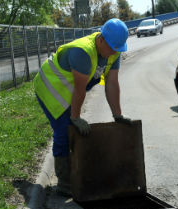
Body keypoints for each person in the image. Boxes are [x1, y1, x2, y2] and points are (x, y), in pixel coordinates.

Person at [33, 18, 132, 196]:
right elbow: (80, 90)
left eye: (117, 49)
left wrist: (118, 115)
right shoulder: (83, 52)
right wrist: (75, 117)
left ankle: (74, 172)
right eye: (111, 48)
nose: (113, 53)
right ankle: (64, 183)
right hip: (50, 89)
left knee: (69, 127)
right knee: (64, 130)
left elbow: (112, 83)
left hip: (68, 89)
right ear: (100, 39)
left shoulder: (113, 51)